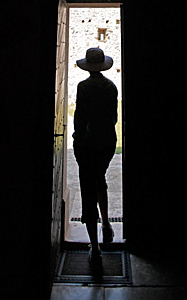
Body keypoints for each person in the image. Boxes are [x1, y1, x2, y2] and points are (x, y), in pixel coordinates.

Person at [73, 47, 118, 272]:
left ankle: (95, 247)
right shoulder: (111, 87)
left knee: (87, 189)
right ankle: (107, 224)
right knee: (100, 180)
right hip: (107, 143)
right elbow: (113, 117)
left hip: (87, 144)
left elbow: (80, 117)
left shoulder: (83, 87)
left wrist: (77, 139)